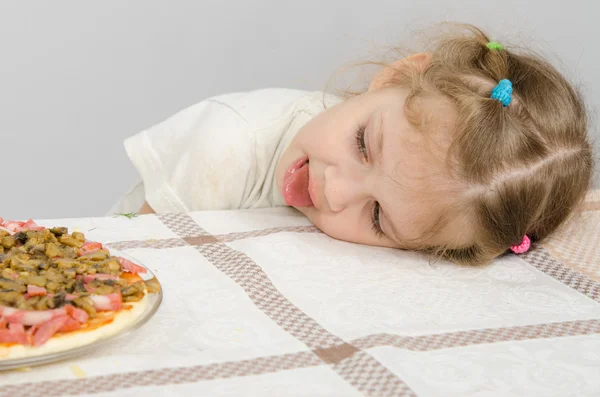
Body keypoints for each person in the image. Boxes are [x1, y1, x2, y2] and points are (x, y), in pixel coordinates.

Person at [110, 24, 593, 266]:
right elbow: (133, 263)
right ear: (395, 77)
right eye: (363, 144)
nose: (334, 192)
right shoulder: (226, 142)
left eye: (378, 217)